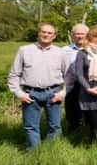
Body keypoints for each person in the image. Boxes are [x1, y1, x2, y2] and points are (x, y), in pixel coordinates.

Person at [8, 22, 69, 150]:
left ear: (54, 36)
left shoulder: (61, 52)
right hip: (30, 94)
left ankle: (50, 152)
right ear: (39, 33)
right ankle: (34, 153)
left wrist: (62, 94)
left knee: (55, 126)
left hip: (53, 93)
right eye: (43, 32)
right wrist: (19, 94)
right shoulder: (24, 50)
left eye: (49, 33)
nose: (46, 35)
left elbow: (69, 76)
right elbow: (14, 74)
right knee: (30, 126)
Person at [63, 23, 89, 132]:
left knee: (88, 108)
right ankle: (73, 130)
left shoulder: (92, 49)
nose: (79, 36)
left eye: (82, 34)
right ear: (73, 35)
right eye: (77, 34)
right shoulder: (64, 50)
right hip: (71, 84)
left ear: (87, 35)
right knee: (71, 108)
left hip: (88, 84)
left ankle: (88, 129)